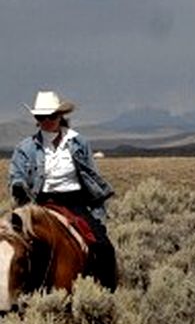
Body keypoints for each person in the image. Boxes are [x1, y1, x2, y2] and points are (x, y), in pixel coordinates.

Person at [8, 90, 118, 288]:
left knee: (104, 247)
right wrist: (19, 185)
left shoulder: (78, 143)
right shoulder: (25, 148)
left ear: (61, 116)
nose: (47, 121)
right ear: (36, 119)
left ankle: (107, 294)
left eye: (52, 116)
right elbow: (17, 175)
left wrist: (97, 202)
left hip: (74, 202)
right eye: (41, 117)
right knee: (12, 246)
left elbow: (91, 173)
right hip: (39, 202)